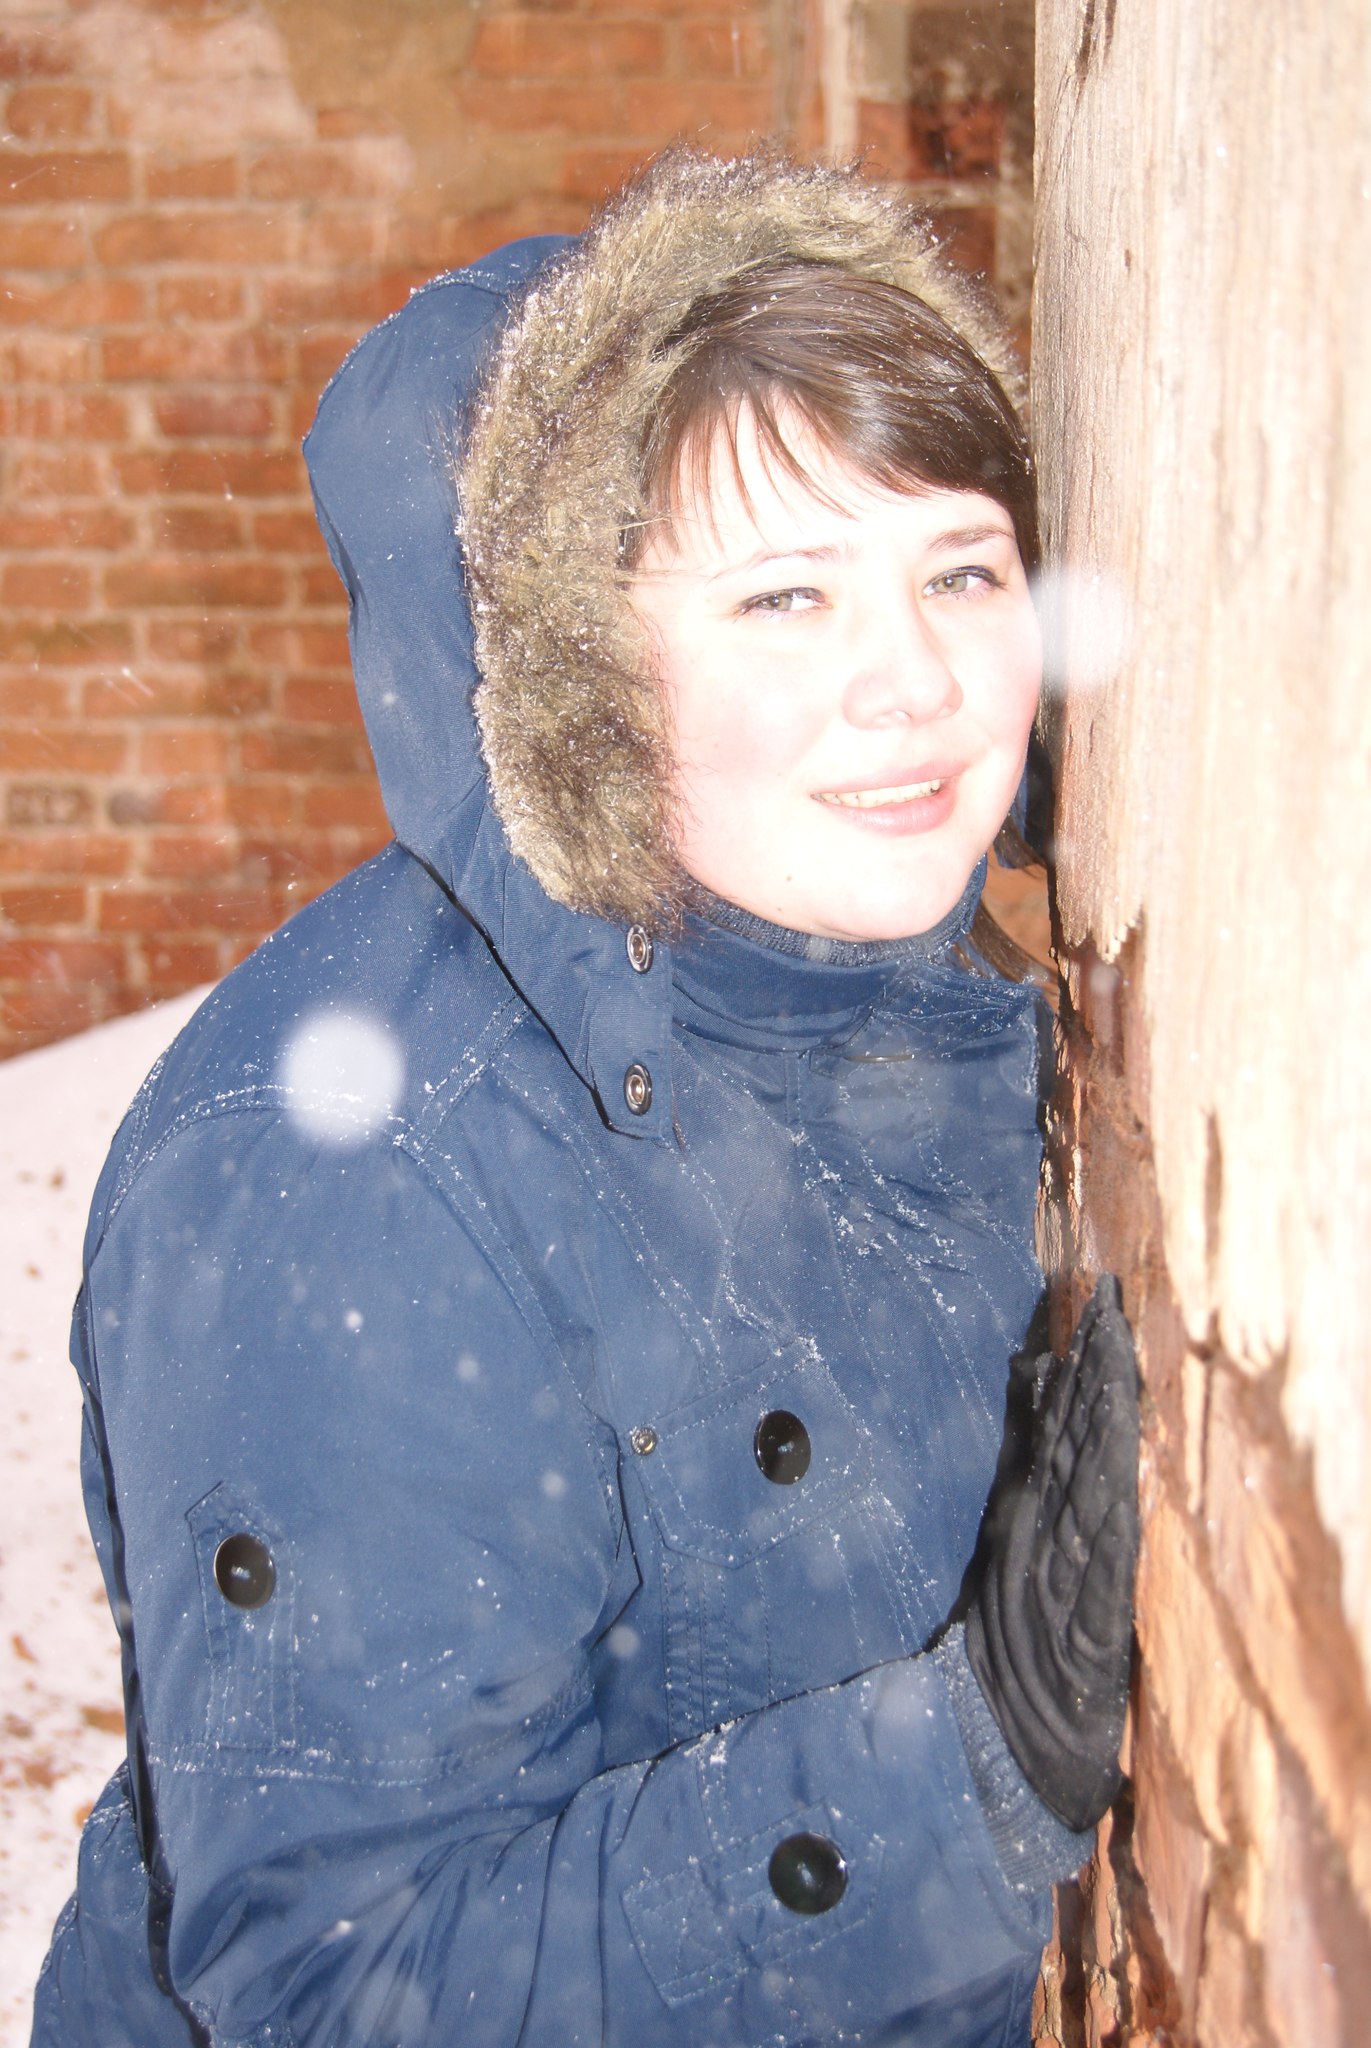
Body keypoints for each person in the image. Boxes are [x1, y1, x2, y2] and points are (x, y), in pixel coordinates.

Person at [31, 149, 1138, 2047]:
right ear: (581, 682)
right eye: (784, 597)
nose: (916, 682)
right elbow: (341, 1988)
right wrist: (960, 1779)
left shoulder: (909, 991)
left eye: (959, 568)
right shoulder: (358, 1176)